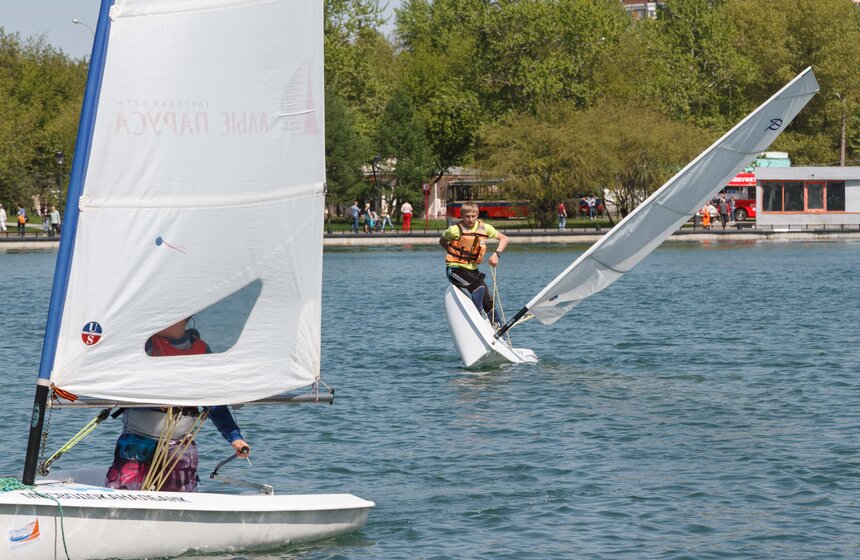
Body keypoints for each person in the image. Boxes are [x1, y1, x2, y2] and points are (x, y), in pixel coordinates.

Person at [105, 318, 250, 492]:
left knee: (179, 495)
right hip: (137, 441)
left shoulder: (201, 351)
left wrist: (234, 436)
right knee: (123, 492)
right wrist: (153, 398)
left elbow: (213, 400)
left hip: (180, 447)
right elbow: (121, 383)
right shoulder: (144, 347)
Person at [439, 201, 508, 325]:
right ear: (461, 216)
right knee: (478, 287)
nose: (470, 219)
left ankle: (498, 326)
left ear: (477, 215)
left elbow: (504, 238)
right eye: (467, 216)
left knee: (488, 300)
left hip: (473, 270)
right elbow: (442, 241)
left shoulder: (484, 228)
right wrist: (454, 252)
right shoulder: (454, 230)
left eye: (473, 216)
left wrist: (496, 254)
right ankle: (476, 321)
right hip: (455, 270)